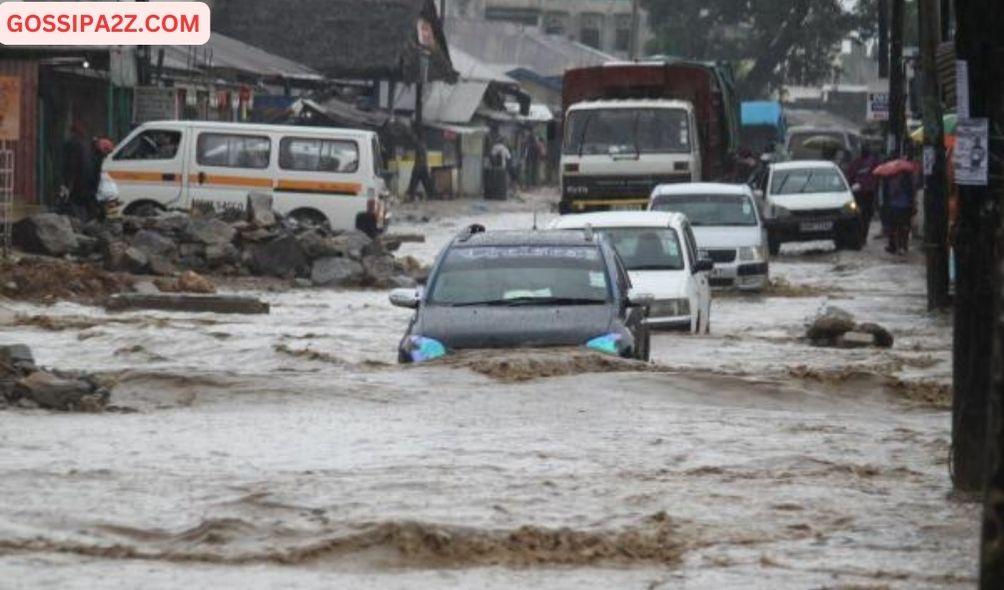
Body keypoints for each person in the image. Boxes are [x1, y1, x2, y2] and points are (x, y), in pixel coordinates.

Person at [845, 145, 880, 241]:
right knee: (861, 215)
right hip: (861, 193)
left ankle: (862, 236)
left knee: (865, 216)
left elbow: (877, 176)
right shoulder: (857, 162)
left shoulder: (872, 162)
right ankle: (861, 236)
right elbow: (849, 176)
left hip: (867, 193)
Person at [61, 121, 94, 220]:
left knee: (74, 202)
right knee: (82, 202)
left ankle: (77, 221)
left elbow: (72, 164)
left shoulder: (72, 144)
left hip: (77, 180)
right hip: (86, 179)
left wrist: (68, 181)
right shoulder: (84, 144)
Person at [885, 161, 917, 255]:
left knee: (902, 228)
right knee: (898, 228)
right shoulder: (894, 180)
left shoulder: (906, 181)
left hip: (902, 207)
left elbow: (910, 194)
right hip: (898, 207)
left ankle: (901, 246)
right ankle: (898, 246)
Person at [406, 137, 435, 201]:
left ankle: (411, 196)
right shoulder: (423, 147)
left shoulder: (419, 147)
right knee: (425, 182)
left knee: (415, 183)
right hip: (422, 167)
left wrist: (420, 166)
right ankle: (430, 195)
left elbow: (422, 158)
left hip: (419, 167)